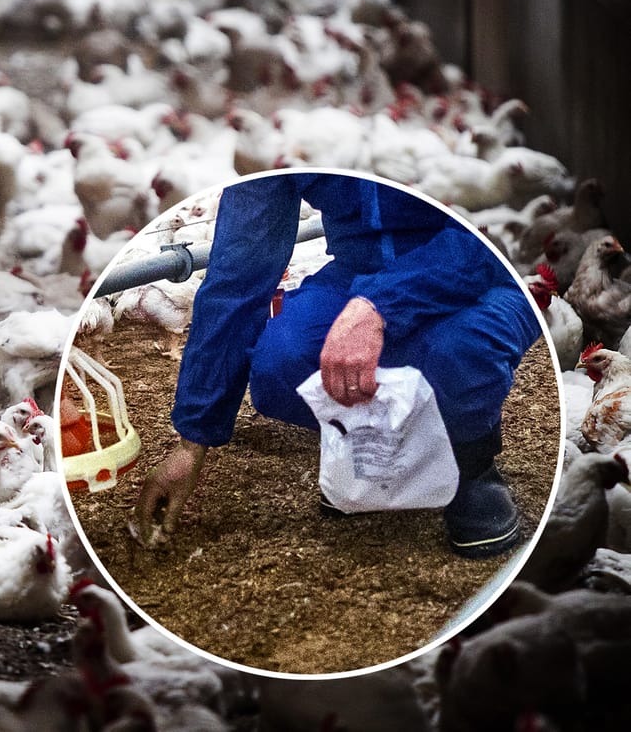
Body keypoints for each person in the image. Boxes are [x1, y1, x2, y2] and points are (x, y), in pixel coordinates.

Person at [129, 171, 542, 558]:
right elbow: (239, 271)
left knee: (458, 352)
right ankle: (371, 450)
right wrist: (191, 442)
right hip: (357, 269)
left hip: (478, 267)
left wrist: (377, 306)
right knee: (282, 361)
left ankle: (470, 462)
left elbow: (484, 240)